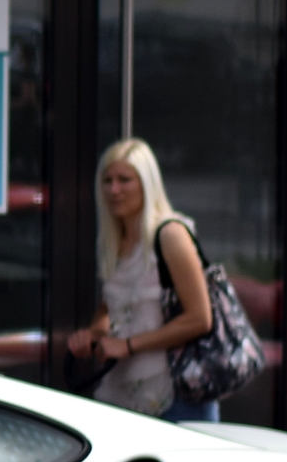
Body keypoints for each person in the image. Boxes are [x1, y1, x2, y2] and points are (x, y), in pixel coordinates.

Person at [67, 137, 219, 420]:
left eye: (125, 180)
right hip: (125, 394)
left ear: (147, 184)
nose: (114, 190)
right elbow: (110, 308)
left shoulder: (170, 234)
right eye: (107, 180)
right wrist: (94, 335)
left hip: (177, 393)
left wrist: (127, 345)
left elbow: (200, 318)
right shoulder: (114, 241)